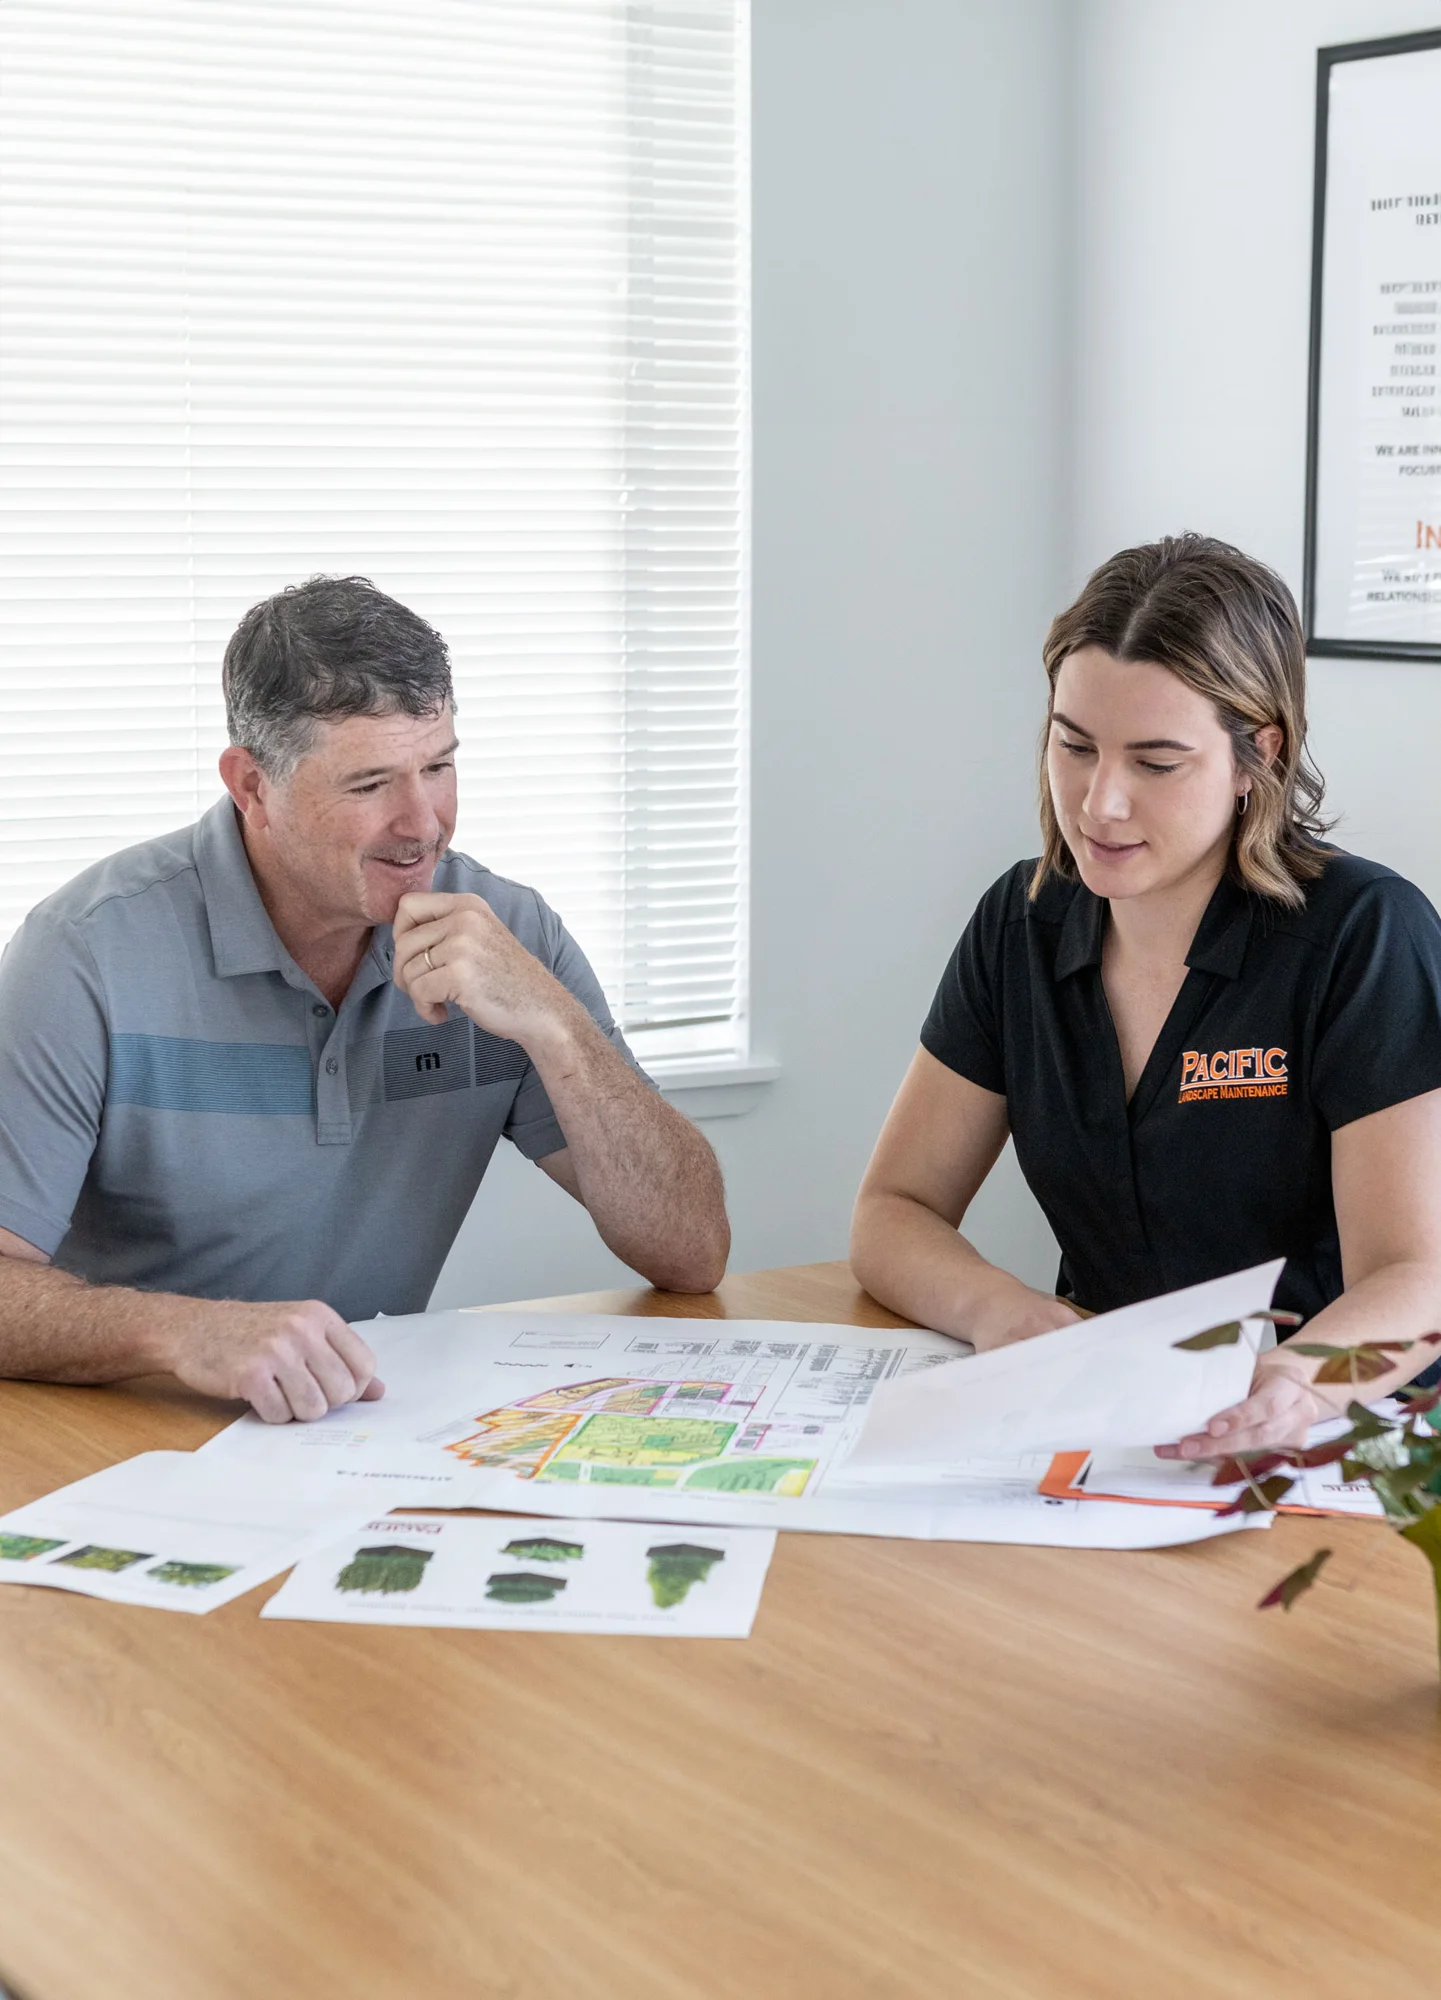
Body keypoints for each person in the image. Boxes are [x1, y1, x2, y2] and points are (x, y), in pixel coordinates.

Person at [0, 576, 729, 1422]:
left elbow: (692, 1253)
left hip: (355, 1431)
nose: (423, 823)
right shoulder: (86, 952)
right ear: (251, 786)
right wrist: (184, 1333)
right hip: (124, 1435)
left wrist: (555, 1025)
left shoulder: (507, 934)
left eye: (440, 766)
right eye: (370, 783)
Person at [851, 535, 1441, 1462]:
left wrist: (1292, 1386)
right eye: (1073, 746)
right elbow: (894, 1209)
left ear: (1257, 755)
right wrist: (996, 1311)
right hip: (1120, 1430)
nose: (1099, 804)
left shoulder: (1363, 935)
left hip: (1340, 1434)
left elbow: (1415, 1274)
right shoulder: (1021, 922)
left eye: (1155, 763)